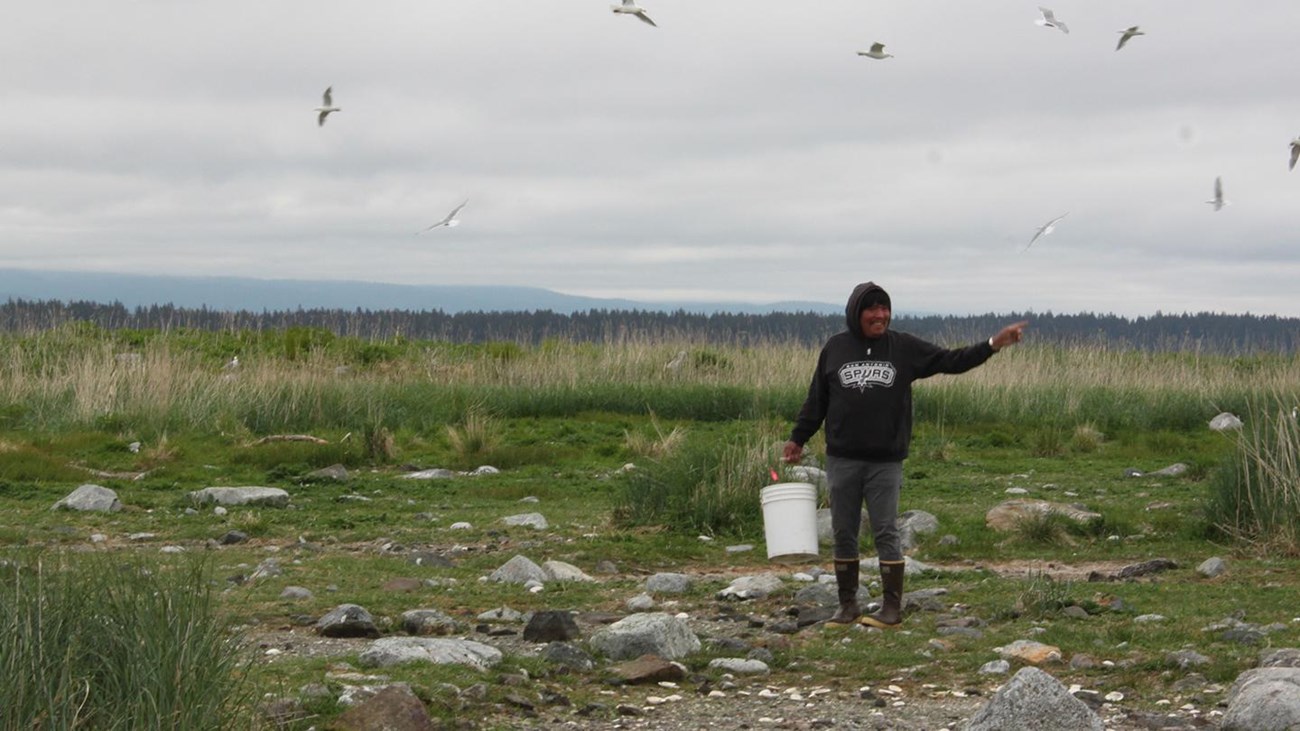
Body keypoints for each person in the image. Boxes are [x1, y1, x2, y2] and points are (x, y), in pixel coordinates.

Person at [782, 282, 1027, 627]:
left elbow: (949, 361)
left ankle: (891, 608)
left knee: (885, 531)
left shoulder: (904, 348)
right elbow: (817, 400)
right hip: (842, 459)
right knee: (843, 532)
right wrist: (798, 438)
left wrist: (991, 345)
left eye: (885, 308)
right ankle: (847, 605)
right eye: (873, 309)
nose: (880, 315)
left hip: (885, 461)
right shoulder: (835, 348)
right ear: (856, 312)